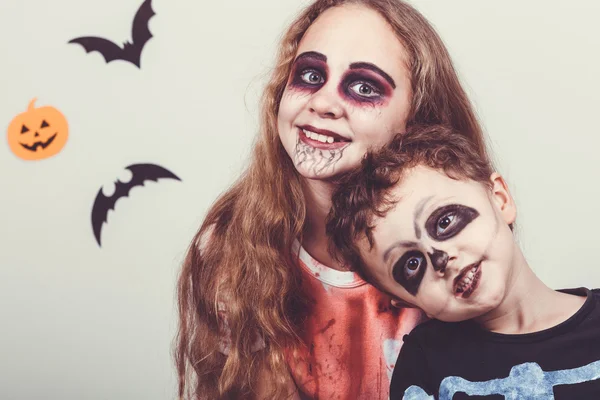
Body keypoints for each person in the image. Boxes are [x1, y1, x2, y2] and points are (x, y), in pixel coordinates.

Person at [174, 0, 496, 398]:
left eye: (364, 87)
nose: (323, 103)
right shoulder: (233, 247)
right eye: (310, 75)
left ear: (417, 119)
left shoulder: (451, 247)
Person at [326, 124, 600, 399]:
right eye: (411, 264)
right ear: (406, 300)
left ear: (500, 200)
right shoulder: (425, 362)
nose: (440, 259)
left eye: (444, 222)